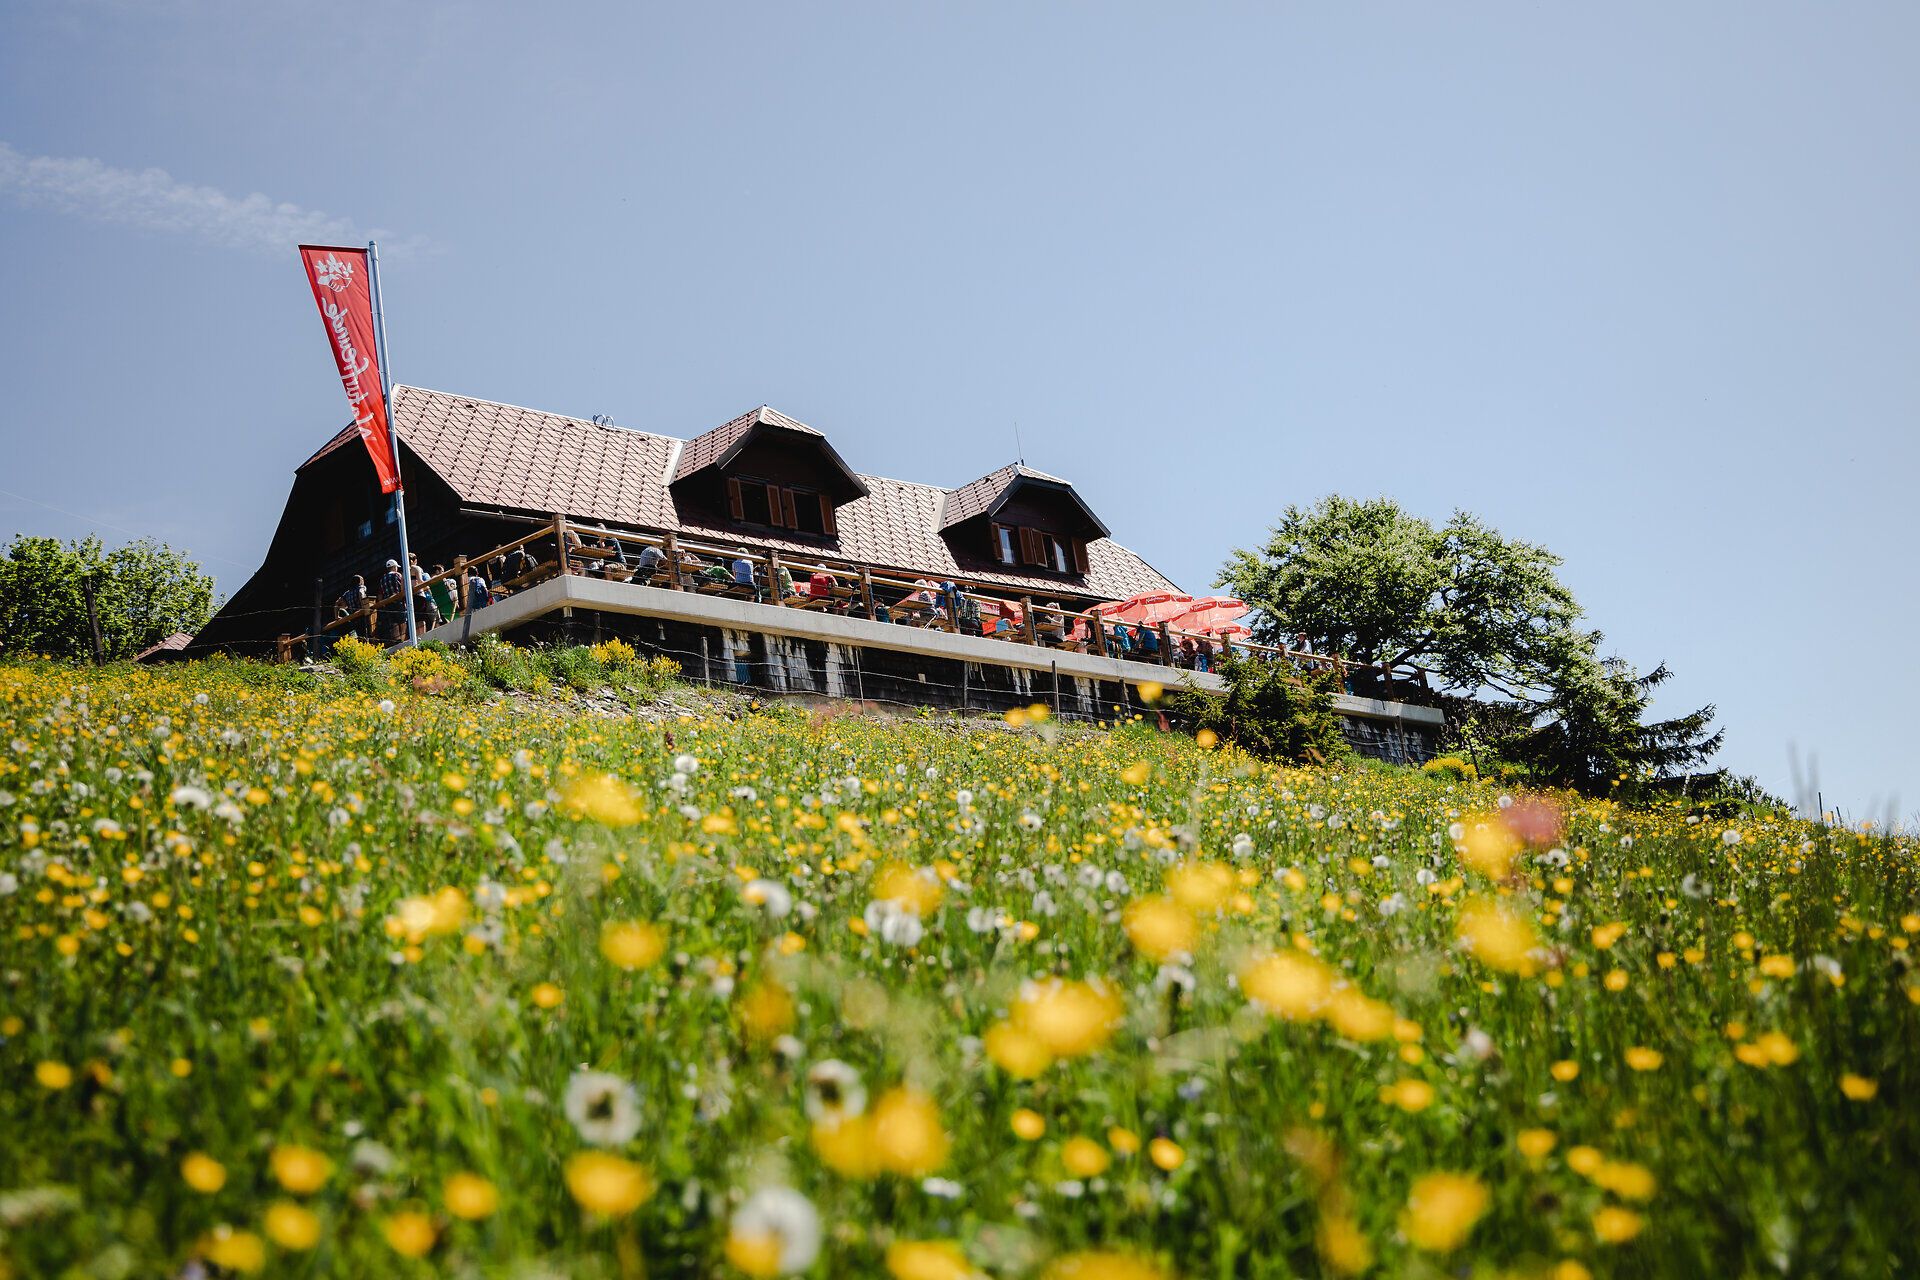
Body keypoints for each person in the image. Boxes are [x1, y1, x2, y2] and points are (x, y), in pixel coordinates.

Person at [379, 559, 406, 642]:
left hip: (388, 603)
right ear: (394, 567)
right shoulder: (397, 575)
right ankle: (403, 638)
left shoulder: (382, 579)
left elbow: (380, 594)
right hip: (398, 600)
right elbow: (402, 587)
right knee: (403, 621)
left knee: (394, 622)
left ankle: (397, 639)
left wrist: (382, 604)